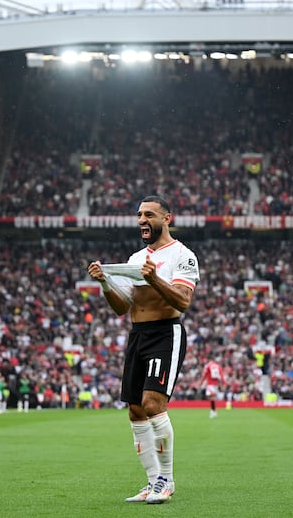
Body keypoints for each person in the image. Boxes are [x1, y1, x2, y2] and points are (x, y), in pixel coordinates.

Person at [88, 195, 199, 505]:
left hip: (166, 333)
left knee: (152, 403)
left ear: (167, 218)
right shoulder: (136, 259)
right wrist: (106, 284)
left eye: (149, 214)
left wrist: (154, 278)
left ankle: (167, 480)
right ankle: (152, 482)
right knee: (135, 409)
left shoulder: (183, 255)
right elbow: (122, 308)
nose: (141, 220)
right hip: (138, 334)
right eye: (139, 214)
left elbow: (182, 302)